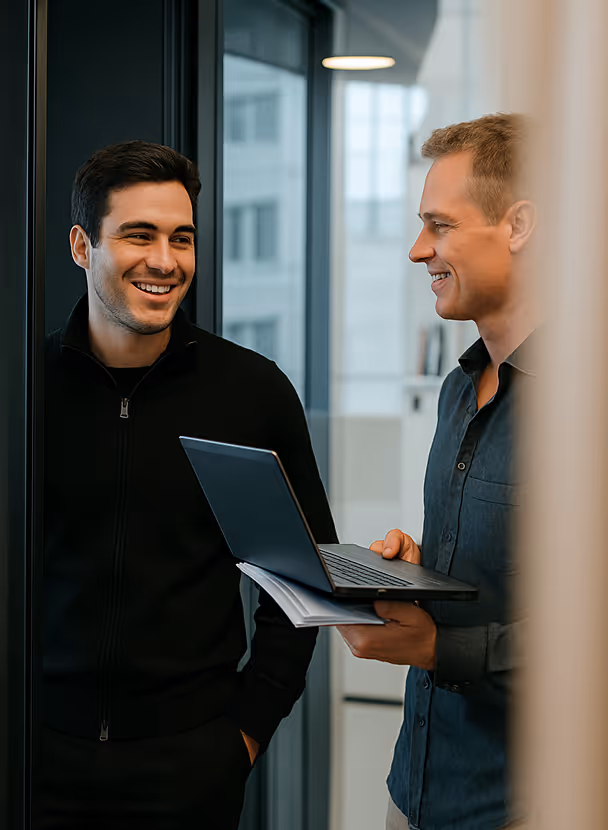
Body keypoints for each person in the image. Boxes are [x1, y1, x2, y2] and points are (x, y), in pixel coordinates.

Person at [36, 140, 337, 829]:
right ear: (83, 246)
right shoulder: (26, 386)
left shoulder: (251, 392)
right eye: (138, 235)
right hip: (35, 753)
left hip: (189, 763)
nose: (165, 261)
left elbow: (303, 579)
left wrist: (244, 734)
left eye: (182, 238)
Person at [337, 114, 535, 830]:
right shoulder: (460, 388)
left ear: (518, 224)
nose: (420, 250)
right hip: (416, 788)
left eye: (440, 225)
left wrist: (433, 645)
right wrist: (420, 575)